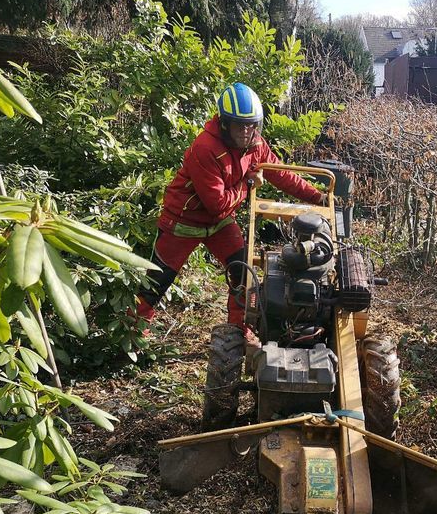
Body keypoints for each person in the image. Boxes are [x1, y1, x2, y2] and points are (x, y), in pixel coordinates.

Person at [134, 82, 326, 331]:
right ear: (225, 123)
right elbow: (217, 204)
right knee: (156, 283)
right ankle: (134, 336)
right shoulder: (205, 149)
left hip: (220, 223)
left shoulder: (256, 144)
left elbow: (281, 174)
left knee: (243, 274)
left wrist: (317, 196)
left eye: (251, 125)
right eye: (239, 125)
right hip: (182, 222)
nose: (246, 132)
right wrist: (248, 183)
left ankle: (237, 332)